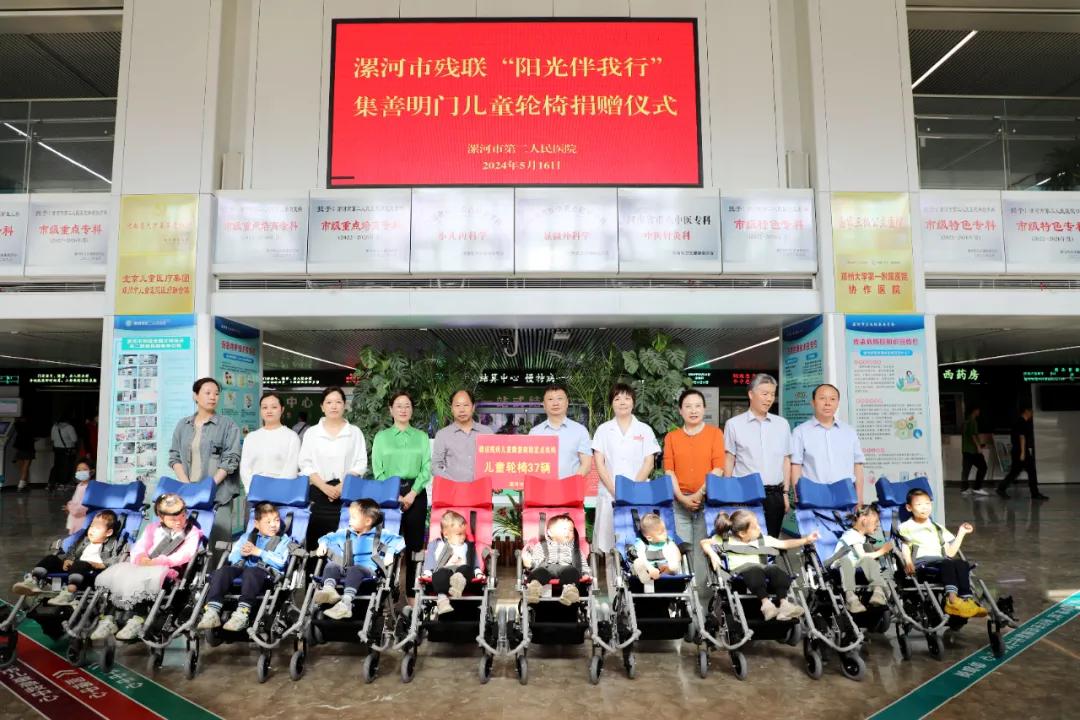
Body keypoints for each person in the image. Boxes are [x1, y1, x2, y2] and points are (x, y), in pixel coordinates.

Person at [90, 493, 203, 640]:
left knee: (144, 578)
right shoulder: (153, 528)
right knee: (120, 574)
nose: (179, 522)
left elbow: (185, 554)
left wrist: (158, 561)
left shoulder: (192, 532)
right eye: (173, 519)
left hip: (169, 570)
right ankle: (108, 618)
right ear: (161, 518)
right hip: (144, 565)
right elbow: (140, 546)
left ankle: (138, 619)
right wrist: (141, 557)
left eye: (182, 516)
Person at [168, 377, 243, 551]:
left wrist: (209, 486)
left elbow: (231, 458)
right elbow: (174, 457)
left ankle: (217, 569)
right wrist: (187, 485)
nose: (213, 397)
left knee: (218, 543)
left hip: (219, 494)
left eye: (216, 394)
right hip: (189, 494)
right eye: (207, 393)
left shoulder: (228, 425)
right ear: (195, 396)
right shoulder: (183, 425)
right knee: (187, 542)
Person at [371, 390, 431, 604]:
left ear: (412, 410)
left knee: (415, 547)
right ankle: (386, 592)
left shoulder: (421, 437)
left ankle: (412, 595)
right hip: (389, 495)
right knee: (387, 545)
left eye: (407, 406)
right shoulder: (382, 437)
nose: (403, 410)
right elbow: (378, 470)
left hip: (416, 493)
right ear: (391, 410)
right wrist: (394, 494)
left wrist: (413, 493)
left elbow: (426, 468)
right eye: (399, 406)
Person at [700, 509, 816, 621]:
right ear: (742, 533)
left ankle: (784, 604)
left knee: (774, 569)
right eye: (755, 527)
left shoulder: (762, 539)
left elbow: (784, 544)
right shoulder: (724, 539)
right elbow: (704, 542)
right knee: (754, 570)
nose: (759, 528)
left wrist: (806, 540)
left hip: (762, 570)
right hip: (740, 573)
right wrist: (712, 554)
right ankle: (766, 605)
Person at [195, 502, 291, 633]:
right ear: (256, 524)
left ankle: (242, 613)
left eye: (277, 520)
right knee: (222, 571)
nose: (273, 525)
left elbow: (281, 562)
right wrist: (241, 554)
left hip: (267, 574)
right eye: (268, 522)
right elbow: (232, 557)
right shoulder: (247, 537)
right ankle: (212, 611)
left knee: (252, 572)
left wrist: (259, 552)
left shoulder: (283, 540)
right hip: (244, 570)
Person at [591, 383, 660, 559]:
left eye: (627, 398)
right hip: (609, 493)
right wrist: (615, 491)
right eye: (617, 398)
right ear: (611, 403)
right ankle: (613, 576)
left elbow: (649, 463)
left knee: (638, 539)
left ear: (633, 402)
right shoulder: (603, 430)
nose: (622, 402)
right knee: (609, 544)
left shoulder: (645, 430)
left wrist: (631, 490)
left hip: (638, 493)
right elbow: (599, 463)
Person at [663, 388, 724, 581]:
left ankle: (703, 596)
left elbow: (719, 468)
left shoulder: (715, 434)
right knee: (681, 549)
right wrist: (682, 498)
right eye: (688, 406)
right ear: (680, 411)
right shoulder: (671, 437)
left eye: (698, 406)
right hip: (679, 504)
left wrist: (698, 494)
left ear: (704, 409)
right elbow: (669, 471)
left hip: (707, 502)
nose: (693, 410)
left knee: (702, 549)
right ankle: (685, 595)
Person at [898, 488, 987, 618]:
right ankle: (952, 600)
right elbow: (905, 546)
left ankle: (966, 601)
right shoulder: (906, 527)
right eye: (919, 504)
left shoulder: (937, 527)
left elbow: (950, 553)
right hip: (922, 563)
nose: (924, 507)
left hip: (941, 562)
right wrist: (908, 562)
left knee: (962, 564)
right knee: (947, 563)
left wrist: (961, 532)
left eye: (927, 503)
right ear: (909, 508)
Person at [311, 499, 405, 620]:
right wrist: (323, 544)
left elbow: (399, 541)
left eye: (353, 517)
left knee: (355, 569)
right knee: (331, 566)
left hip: (368, 572)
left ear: (368, 521)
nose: (349, 520)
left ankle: (346, 604)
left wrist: (390, 553)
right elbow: (327, 537)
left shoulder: (381, 534)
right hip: (347, 568)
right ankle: (329, 590)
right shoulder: (345, 533)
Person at [723, 373, 792, 537]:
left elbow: (786, 460)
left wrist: (785, 494)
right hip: (744, 494)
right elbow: (729, 459)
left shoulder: (782, 424)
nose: (769, 399)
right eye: (764, 394)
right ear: (751, 394)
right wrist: (728, 493)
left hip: (775, 494)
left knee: (771, 541)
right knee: (745, 541)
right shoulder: (733, 424)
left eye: (772, 394)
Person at [299, 386, 368, 550]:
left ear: (344, 405)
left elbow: (360, 463)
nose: (334, 406)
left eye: (338, 402)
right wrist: (325, 487)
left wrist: (342, 486)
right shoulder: (312, 433)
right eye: (329, 402)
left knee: (346, 543)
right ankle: (314, 567)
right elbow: (305, 463)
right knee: (317, 544)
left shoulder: (354, 432)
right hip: (318, 492)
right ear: (322, 407)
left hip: (347, 494)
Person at [12, 510, 121, 606]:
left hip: (92, 574)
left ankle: (69, 592)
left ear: (108, 532)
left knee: (80, 563)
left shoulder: (112, 544)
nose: (92, 530)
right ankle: (33, 581)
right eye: (91, 526)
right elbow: (72, 550)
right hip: (74, 569)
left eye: (97, 528)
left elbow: (117, 559)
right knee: (51, 558)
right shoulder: (84, 541)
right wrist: (68, 559)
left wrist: (101, 564)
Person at [790, 383, 866, 506]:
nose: (827, 403)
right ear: (813, 403)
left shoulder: (849, 432)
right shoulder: (800, 432)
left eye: (832, 399)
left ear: (838, 403)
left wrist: (859, 497)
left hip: (846, 493)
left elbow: (858, 465)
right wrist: (798, 496)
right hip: (813, 494)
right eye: (822, 398)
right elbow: (795, 466)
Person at [421, 510, 483, 615]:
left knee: (466, 569)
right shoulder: (437, 545)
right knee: (439, 574)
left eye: (464, 534)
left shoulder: (468, 546)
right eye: (459, 534)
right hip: (445, 571)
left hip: (462, 573)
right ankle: (442, 600)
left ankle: (457, 586)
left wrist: (478, 572)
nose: (463, 537)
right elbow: (431, 562)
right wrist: (427, 573)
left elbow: (474, 563)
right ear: (446, 534)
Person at [239, 392, 301, 493]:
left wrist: (276, 491)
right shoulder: (251, 437)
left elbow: (291, 469)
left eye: (274, 407)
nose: (269, 411)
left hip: (281, 494)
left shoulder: (291, 437)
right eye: (264, 407)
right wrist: (253, 490)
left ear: (282, 409)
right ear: (260, 410)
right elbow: (245, 469)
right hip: (255, 493)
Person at [528, 384, 593, 478]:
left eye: (559, 398)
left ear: (567, 403)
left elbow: (586, 465)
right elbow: (530, 463)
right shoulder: (534, 433)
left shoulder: (580, 431)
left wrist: (570, 484)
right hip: (542, 486)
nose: (555, 403)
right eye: (550, 399)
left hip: (571, 486)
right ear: (544, 405)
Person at [835, 505, 892, 613]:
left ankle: (878, 592)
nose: (878, 525)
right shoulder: (852, 535)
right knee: (864, 560)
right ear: (864, 520)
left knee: (869, 562)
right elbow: (862, 555)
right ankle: (851, 598)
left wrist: (880, 549)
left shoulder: (860, 537)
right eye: (876, 521)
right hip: (843, 565)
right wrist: (882, 551)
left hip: (855, 564)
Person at [521, 513, 583, 606]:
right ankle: (534, 589)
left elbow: (581, 563)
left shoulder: (574, 549)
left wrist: (586, 572)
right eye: (564, 529)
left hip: (566, 568)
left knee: (572, 572)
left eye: (571, 530)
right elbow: (536, 560)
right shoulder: (541, 545)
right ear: (550, 533)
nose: (568, 532)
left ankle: (570, 591)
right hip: (546, 568)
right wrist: (530, 564)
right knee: (539, 571)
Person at [431, 389, 493, 483]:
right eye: (457, 405)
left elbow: (495, 461)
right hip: (453, 490)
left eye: (466, 405)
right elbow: (435, 466)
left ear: (473, 407)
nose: (462, 410)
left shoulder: (487, 432)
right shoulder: (442, 435)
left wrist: (496, 480)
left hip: (483, 488)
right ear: (451, 409)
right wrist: (453, 483)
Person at [997, 408, 1047, 500]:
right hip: (1021, 452)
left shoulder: (1019, 422)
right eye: (1031, 412)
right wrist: (1023, 453)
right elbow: (1022, 437)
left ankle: (1001, 488)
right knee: (1031, 471)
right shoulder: (1021, 422)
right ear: (1026, 411)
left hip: (1017, 451)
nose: (1032, 414)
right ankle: (1035, 494)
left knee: (1015, 472)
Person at [631, 512, 683, 584]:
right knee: (638, 561)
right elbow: (641, 557)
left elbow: (677, 556)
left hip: (664, 568)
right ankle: (645, 576)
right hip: (648, 568)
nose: (665, 534)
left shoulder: (667, 541)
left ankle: (668, 571)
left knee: (673, 559)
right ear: (649, 538)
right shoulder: (642, 543)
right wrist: (651, 569)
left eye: (665, 530)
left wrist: (672, 562)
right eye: (661, 533)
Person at [960, 407, 989, 496]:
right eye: (978, 410)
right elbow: (973, 435)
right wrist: (978, 447)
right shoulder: (973, 421)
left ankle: (964, 489)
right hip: (973, 450)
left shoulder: (965, 422)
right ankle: (977, 488)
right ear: (975, 410)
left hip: (966, 449)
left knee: (966, 469)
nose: (979, 412)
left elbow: (966, 435)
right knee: (983, 467)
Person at [49, 415, 78, 493]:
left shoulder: (54, 427)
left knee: (57, 466)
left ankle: (53, 483)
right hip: (67, 449)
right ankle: (64, 484)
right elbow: (74, 439)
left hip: (57, 449)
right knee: (67, 467)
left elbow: (52, 438)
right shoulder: (69, 427)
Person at [64, 460, 94, 535]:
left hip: (81, 520)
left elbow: (84, 506)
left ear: (92, 472)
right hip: (74, 519)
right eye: (79, 470)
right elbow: (75, 500)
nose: (81, 472)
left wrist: (70, 507)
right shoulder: (79, 485)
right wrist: (69, 506)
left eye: (85, 469)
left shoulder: (90, 487)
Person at [13, 416, 35, 491]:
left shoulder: (18, 427)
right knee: (26, 468)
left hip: (19, 449)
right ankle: (21, 485)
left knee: (22, 468)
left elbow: (15, 422)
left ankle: (24, 484)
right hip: (28, 449)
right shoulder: (30, 427)